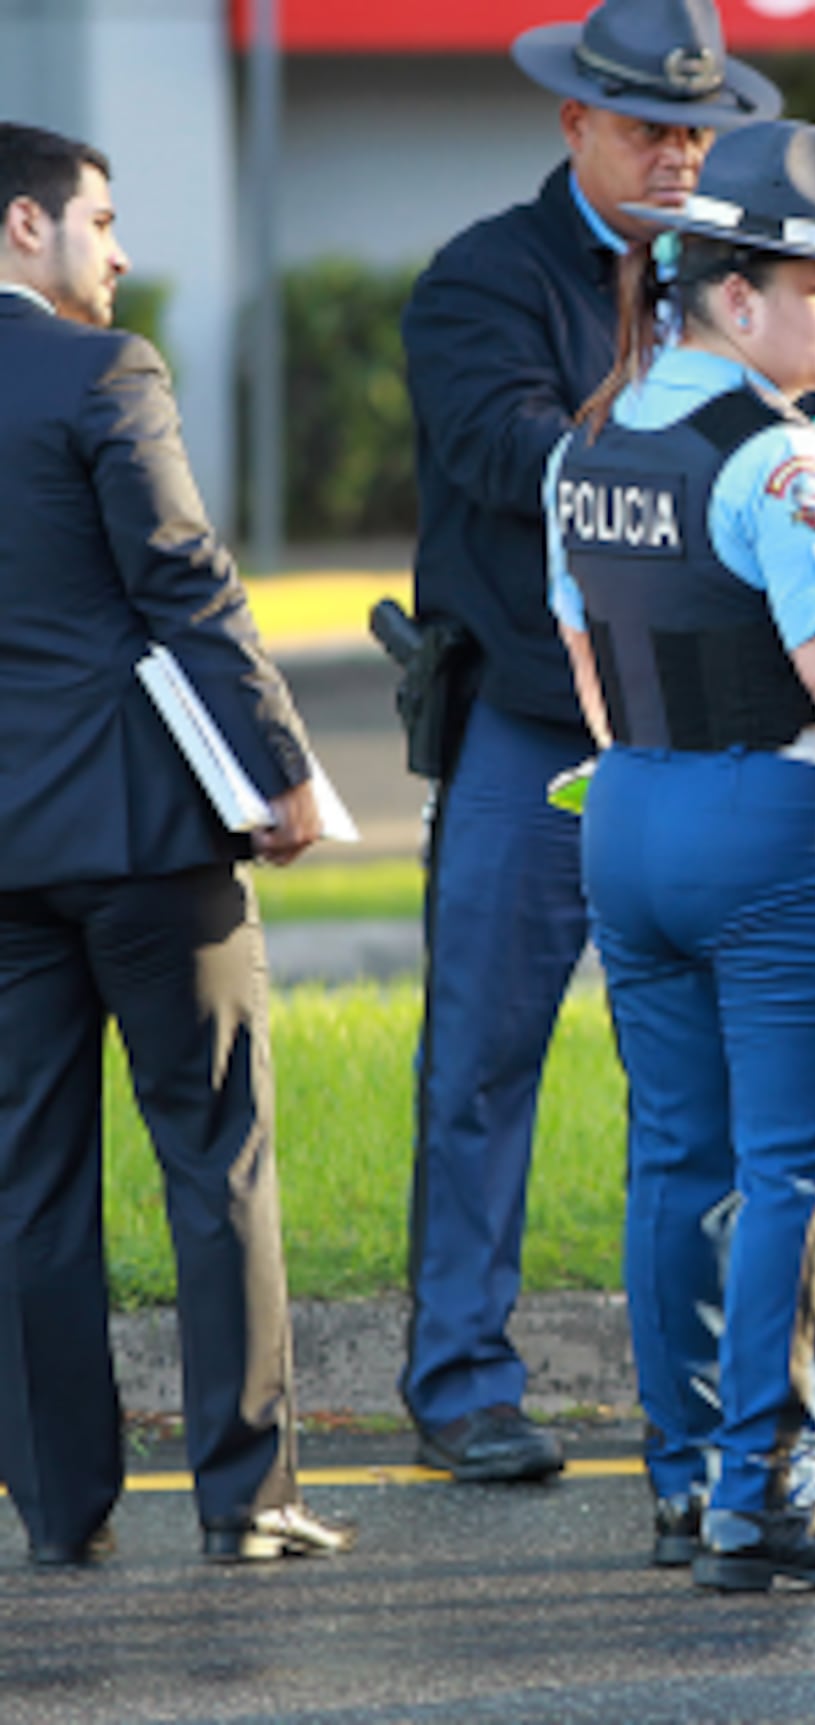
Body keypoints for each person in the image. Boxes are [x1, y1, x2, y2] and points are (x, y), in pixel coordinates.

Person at [547, 118, 815, 1593]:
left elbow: (587, 645)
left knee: (677, 1160)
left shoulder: (591, 439)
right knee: (799, 1177)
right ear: (735, 292)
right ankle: (765, 1497)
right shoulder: (790, 467)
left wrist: (656, 762)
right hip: (781, 832)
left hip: (634, 811)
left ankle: (683, 1480)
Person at [398, 0, 778, 1484]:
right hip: (529, 726)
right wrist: (691, 405)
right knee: (482, 1060)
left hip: (695, 737)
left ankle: (693, 1397)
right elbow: (515, 456)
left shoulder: (735, 274)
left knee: (694, 1084)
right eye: (648, 129)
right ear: (575, 124)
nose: (679, 154)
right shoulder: (485, 278)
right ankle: (461, 1378)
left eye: (695, 129)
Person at [0, 122, 350, 1568]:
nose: (121, 250)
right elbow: (185, 581)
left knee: (25, 1178)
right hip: (148, 836)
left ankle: (58, 1506)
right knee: (215, 1152)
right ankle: (244, 1496)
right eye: (101, 217)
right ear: (25, 226)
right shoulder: (103, 373)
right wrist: (287, 779)